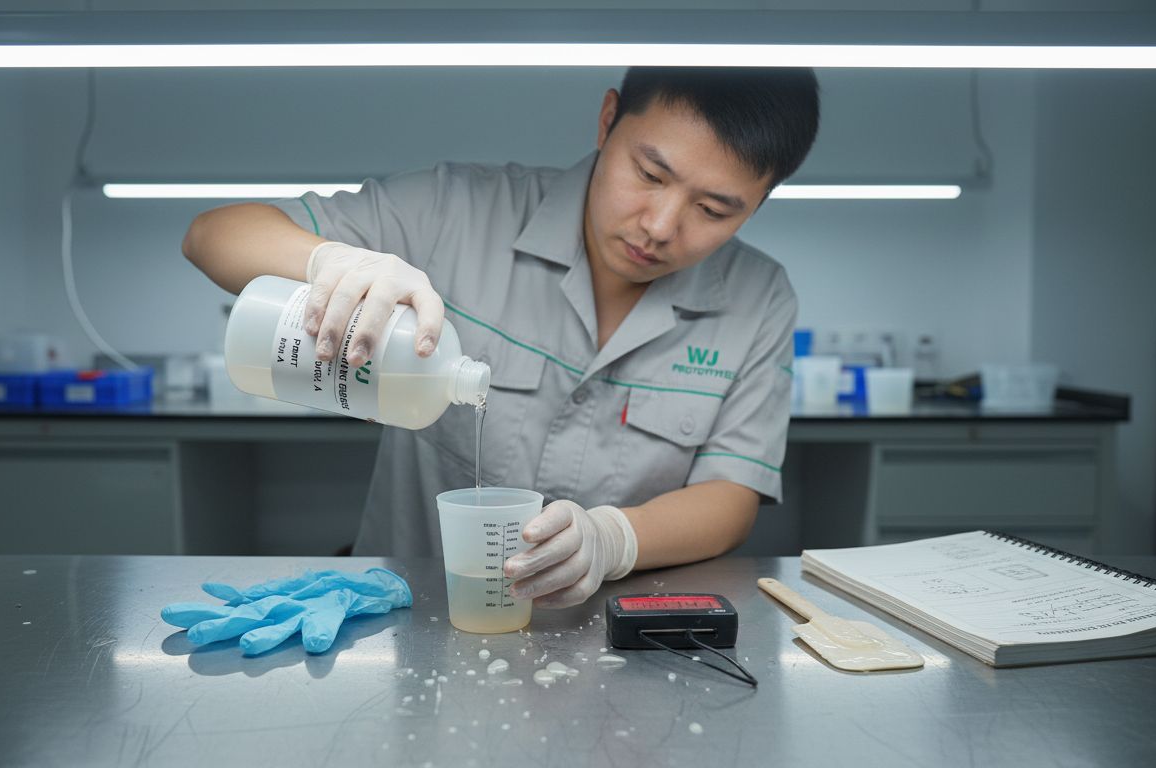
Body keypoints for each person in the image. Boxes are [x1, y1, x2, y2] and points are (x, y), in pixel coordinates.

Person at [183, 67, 820, 609]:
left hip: (612, 633)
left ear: (760, 201)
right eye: (650, 174)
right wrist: (334, 262)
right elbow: (213, 235)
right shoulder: (455, 212)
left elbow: (731, 494)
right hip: (411, 615)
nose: (659, 225)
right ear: (608, 121)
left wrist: (612, 540)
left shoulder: (759, 298)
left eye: (712, 210)